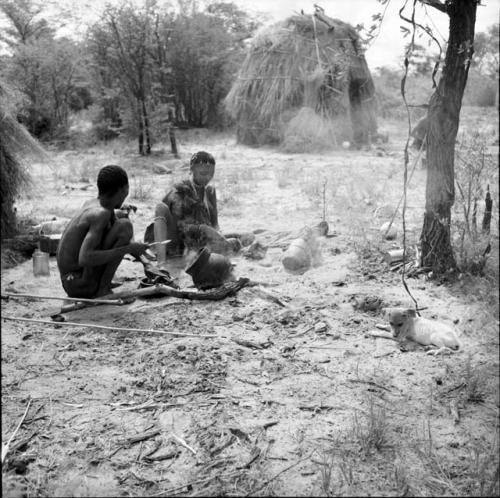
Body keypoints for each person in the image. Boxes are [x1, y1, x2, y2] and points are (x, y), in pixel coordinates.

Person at [57, 165, 149, 298]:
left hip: (69, 282)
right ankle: (102, 289)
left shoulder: (95, 204)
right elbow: (85, 258)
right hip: (78, 284)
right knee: (125, 227)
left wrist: (145, 261)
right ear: (123, 190)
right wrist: (128, 249)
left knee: (122, 219)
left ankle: (101, 285)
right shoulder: (101, 214)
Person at [145, 151, 246, 270]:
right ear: (192, 169)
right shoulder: (180, 190)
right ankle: (161, 264)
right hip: (176, 240)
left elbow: (215, 225)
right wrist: (203, 229)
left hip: (199, 241)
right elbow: (179, 227)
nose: (208, 178)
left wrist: (218, 238)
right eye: (203, 173)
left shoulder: (210, 191)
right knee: (160, 207)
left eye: (211, 174)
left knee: (245, 237)